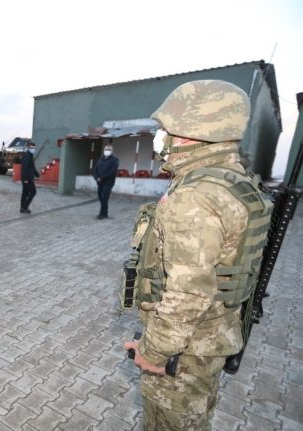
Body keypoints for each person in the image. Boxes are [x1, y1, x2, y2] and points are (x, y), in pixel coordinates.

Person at [123, 80, 272, 430]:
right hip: (210, 339)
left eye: (166, 129)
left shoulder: (196, 196)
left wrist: (152, 351)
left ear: (189, 135)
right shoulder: (235, 180)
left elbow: (188, 293)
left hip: (183, 351)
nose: (161, 137)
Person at [92, 144, 119, 219]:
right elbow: (95, 170)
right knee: (100, 197)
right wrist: (96, 177)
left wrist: (102, 178)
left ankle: (102, 214)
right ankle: (105, 212)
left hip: (108, 182)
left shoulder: (115, 160)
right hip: (100, 182)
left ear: (112, 151)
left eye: (109, 149)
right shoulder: (100, 160)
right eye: (106, 149)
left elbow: (112, 171)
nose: (107, 151)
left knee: (104, 198)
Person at [20, 140, 40, 213]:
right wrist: (25, 179)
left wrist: (37, 174)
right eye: (31, 148)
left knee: (25, 193)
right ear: (28, 148)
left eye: (34, 148)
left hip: (28, 177)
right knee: (33, 192)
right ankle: (25, 207)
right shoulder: (27, 155)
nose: (33, 149)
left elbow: (32, 167)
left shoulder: (30, 155)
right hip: (27, 178)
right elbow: (25, 167)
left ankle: (22, 208)